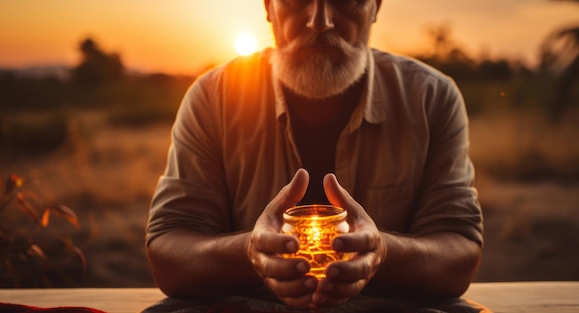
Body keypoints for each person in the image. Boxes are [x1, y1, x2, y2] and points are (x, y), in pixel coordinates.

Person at [146, 0, 484, 311]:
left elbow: (458, 253)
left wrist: (383, 253)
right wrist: (249, 253)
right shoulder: (213, 98)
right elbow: (169, 253)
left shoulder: (432, 98)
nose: (319, 22)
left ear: (375, 6)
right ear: (269, 8)